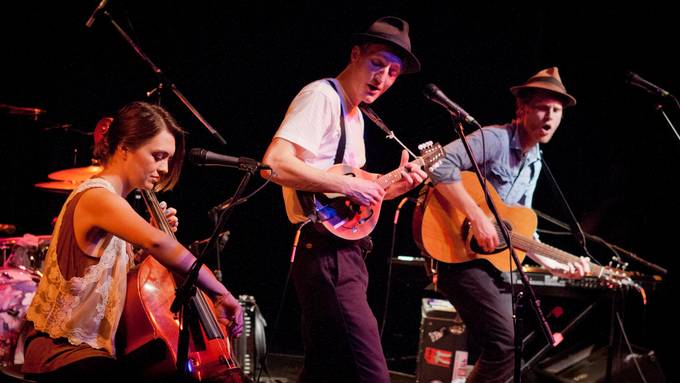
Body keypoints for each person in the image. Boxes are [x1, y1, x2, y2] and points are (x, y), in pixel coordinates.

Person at [21, 101, 244, 382]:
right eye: (158, 155)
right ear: (124, 147)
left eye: (168, 159)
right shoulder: (97, 197)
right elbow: (162, 246)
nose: (164, 168)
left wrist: (139, 249)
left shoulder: (114, 204)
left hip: (92, 353)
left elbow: (112, 279)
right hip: (61, 353)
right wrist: (220, 294)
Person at [261, 16, 428, 383]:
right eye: (377, 64)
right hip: (324, 254)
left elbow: (355, 196)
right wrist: (353, 187)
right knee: (371, 373)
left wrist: (399, 185)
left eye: (393, 72)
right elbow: (273, 165)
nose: (383, 78)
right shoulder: (321, 96)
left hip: (345, 253)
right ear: (355, 55)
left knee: (325, 369)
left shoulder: (358, 119)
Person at [428, 67, 591, 383]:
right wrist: (476, 217)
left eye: (557, 111)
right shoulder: (495, 139)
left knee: (511, 349)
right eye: (543, 107)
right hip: (459, 255)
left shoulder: (535, 162)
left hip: (495, 265)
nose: (550, 116)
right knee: (504, 346)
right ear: (522, 109)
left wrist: (555, 265)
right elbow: (437, 161)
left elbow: (521, 229)